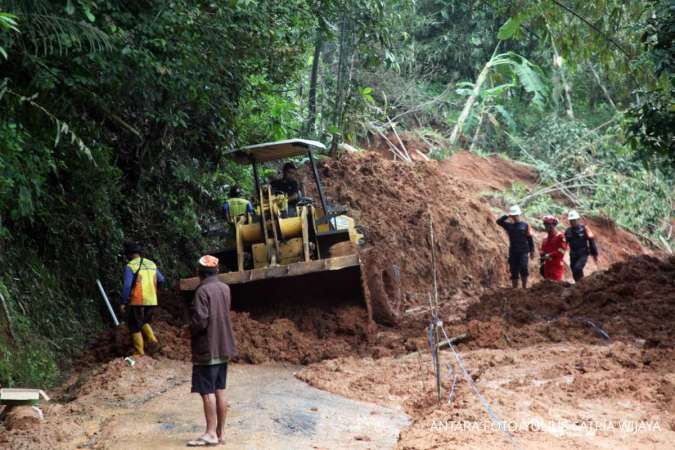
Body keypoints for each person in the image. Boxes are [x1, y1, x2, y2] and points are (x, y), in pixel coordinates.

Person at [188, 255, 237, 447]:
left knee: (206, 391)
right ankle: (220, 433)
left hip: (207, 348)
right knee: (220, 389)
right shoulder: (225, 288)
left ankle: (210, 433)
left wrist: (189, 329)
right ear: (216, 271)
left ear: (199, 272)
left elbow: (200, 321)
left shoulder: (201, 291)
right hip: (223, 346)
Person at [121, 242, 165, 356]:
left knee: (133, 324)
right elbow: (161, 280)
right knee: (144, 321)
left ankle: (139, 352)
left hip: (137, 299)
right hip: (152, 299)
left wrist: (124, 302)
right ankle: (153, 342)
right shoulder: (151, 264)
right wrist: (154, 291)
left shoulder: (130, 266)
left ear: (129, 255)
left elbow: (127, 286)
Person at [496, 205, 535, 288]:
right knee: (514, 270)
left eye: (516, 215)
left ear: (519, 215)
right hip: (513, 251)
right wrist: (507, 215)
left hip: (523, 251)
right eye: (513, 215)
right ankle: (515, 289)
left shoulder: (525, 225)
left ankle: (524, 287)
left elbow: (530, 238)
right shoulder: (509, 226)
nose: (515, 217)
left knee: (524, 267)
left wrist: (532, 251)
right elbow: (498, 221)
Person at [564, 210, 598, 282]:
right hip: (573, 254)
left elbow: (591, 240)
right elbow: (564, 244)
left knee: (578, 268)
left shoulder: (584, 229)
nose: (573, 222)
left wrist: (594, 253)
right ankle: (580, 285)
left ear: (578, 220)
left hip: (583, 253)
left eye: (574, 220)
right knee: (574, 270)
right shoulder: (568, 231)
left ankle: (582, 284)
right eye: (571, 220)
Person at [540, 215, 568, 281]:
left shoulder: (560, 236)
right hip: (547, 267)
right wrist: (542, 255)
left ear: (553, 225)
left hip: (556, 266)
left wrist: (550, 255)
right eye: (545, 225)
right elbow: (543, 250)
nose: (546, 227)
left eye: (547, 225)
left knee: (556, 287)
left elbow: (562, 251)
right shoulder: (545, 239)